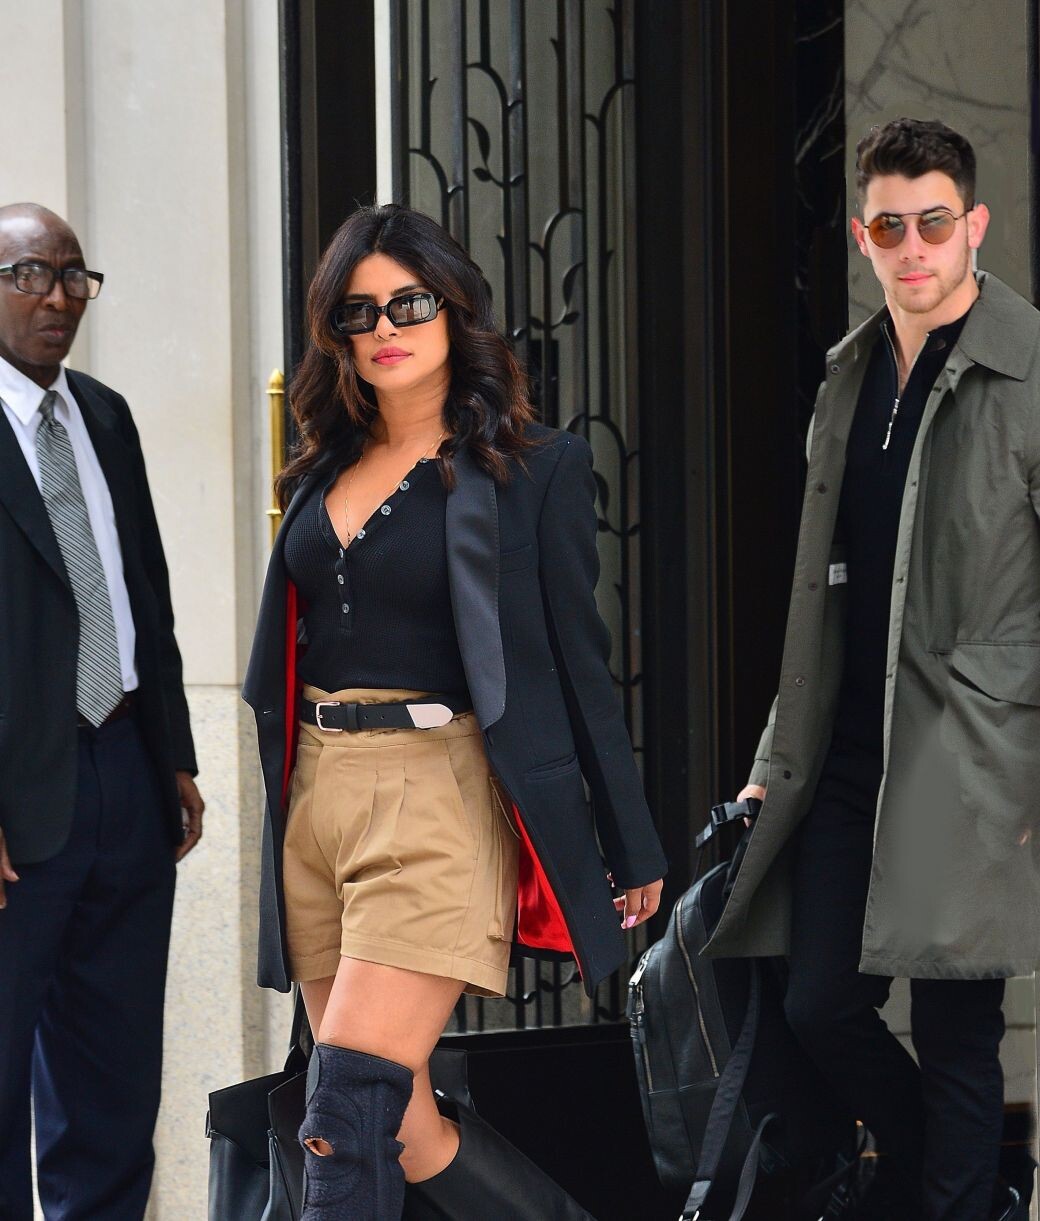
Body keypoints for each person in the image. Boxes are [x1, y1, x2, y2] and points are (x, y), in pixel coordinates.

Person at [705, 118, 1040, 1218]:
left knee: (957, 1034)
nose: (912, 248)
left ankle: (952, 1201)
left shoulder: (1037, 373)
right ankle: (959, 1188)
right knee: (817, 1003)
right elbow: (819, 599)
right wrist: (772, 758)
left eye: (933, 224)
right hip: (849, 756)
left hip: (974, 752)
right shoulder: (847, 379)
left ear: (973, 226)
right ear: (864, 236)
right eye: (889, 228)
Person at [242, 203, 666, 1220]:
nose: (385, 327)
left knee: (343, 1111)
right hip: (317, 799)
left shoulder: (532, 469)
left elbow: (577, 664)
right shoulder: (322, 467)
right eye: (359, 312)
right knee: (397, 1122)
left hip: (435, 794)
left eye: (409, 303)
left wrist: (628, 841)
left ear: (453, 308)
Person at [0, 203, 205, 1220]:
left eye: (75, 275)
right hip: (14, 800)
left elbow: (143, 593)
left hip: (124, 771)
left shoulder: (105, 415)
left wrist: (173, 753)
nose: (59, 297)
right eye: (30, 274)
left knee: (114, 1081)